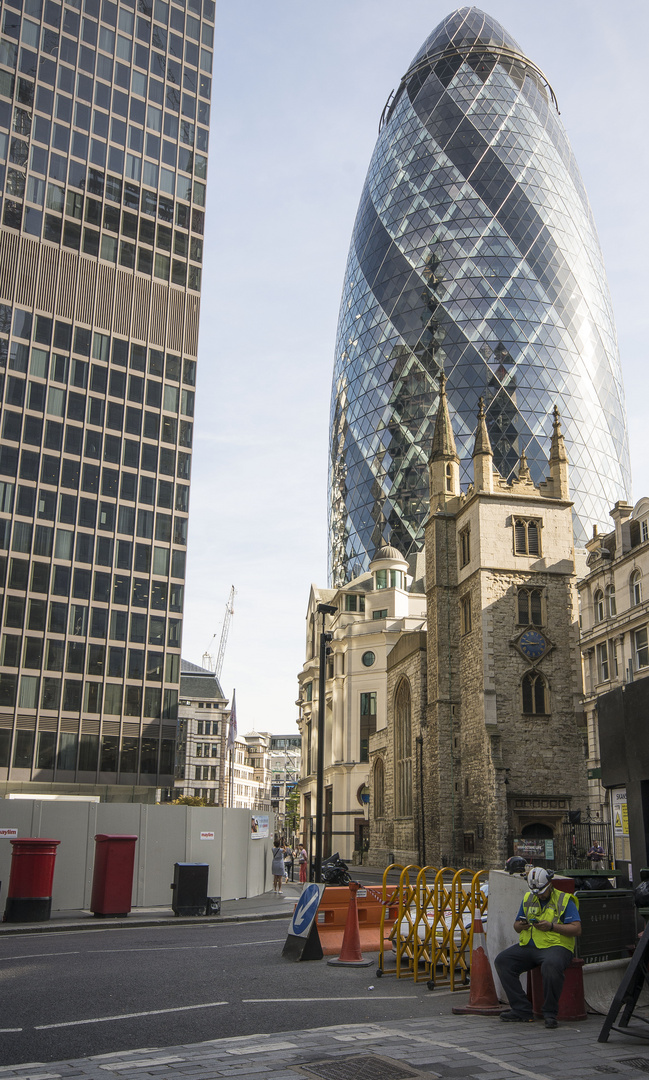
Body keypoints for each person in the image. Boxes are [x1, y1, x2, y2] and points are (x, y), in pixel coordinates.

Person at [494, 867, 581, 1029]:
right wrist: (522, 926)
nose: (539, 895)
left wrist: (552, 927)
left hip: (558, 946)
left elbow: (576, 929)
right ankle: (521, 1010)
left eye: (542, 892)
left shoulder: (564, 900)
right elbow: (516, 926)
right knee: (503, 961)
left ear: (550, 884)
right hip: (530, 946)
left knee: (551, 966)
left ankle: (550, 1013)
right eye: (536, 892)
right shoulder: (529, 898)